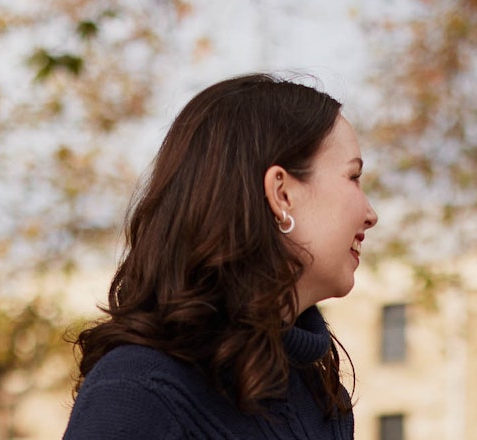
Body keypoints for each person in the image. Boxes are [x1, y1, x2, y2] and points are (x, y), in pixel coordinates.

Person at [64, 73, 376, 439]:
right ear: (282, 194)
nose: (371, 214)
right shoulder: (138, 392)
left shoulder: (321, 399)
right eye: (353, 177)